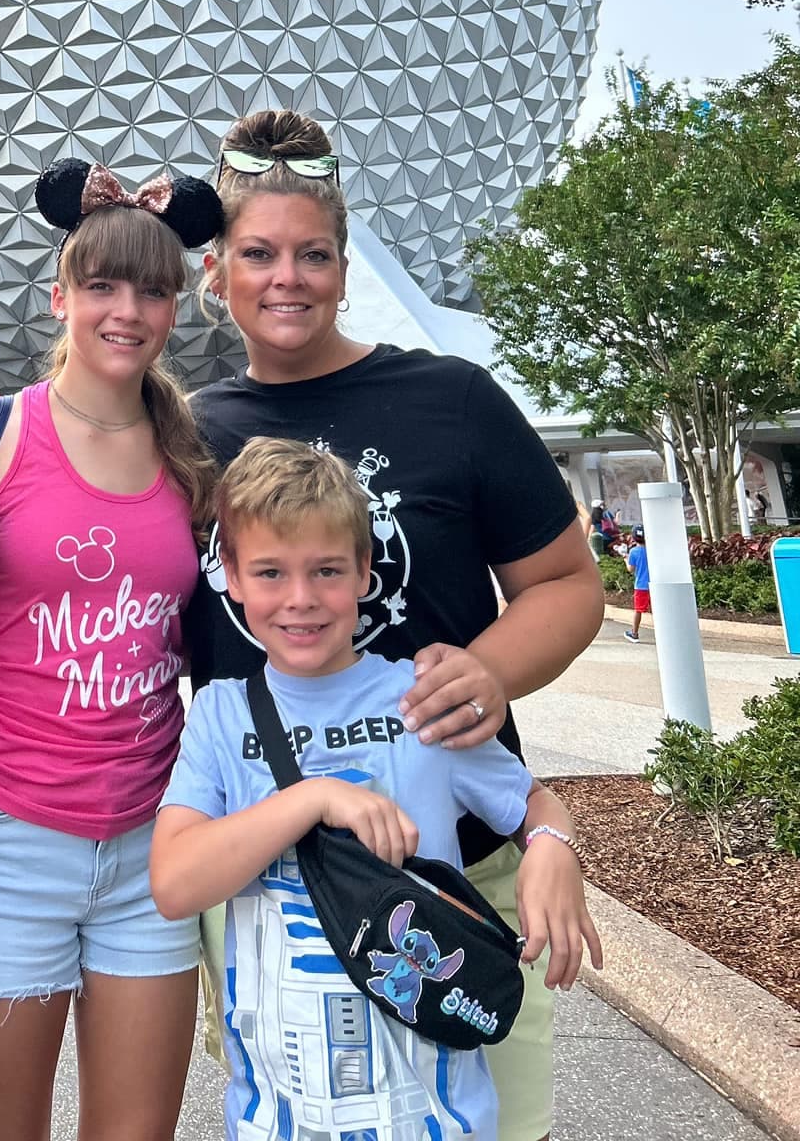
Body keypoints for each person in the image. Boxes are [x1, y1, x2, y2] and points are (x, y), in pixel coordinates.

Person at [185, 107, 606, 1141]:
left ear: (343, 258)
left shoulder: (450, 399)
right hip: (266, 894)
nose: (288, 277)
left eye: (313, 252)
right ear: (215, 269)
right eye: (259, 252)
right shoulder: (186, 432)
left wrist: (486, 670)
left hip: (457, 873)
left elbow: (566, 581)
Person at [151, 437, 601, 1141]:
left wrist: (550, 845)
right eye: (270, 572)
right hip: (282, 1115)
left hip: (433, 1112)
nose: (300, 599)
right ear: (230, 577)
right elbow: (175, 882)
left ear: (365, 571)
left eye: (327, 570)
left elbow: (533, 805)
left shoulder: (420, 701)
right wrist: (313, 799)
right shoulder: (220, 715)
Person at [0, 157, 222, 1141]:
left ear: (175, 306)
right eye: (101, 284)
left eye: (150, 288)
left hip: (153, 844)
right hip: (10, 836)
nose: (125, 308)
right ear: (59, 295)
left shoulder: (193, 460)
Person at [622, 528, 651, 641]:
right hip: (653, 585)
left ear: (634, 538)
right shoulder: (651, 550)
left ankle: (634, 633)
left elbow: (631, 569)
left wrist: (625, 559)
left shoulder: (634, 552)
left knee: (638, 610)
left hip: (641, 586)